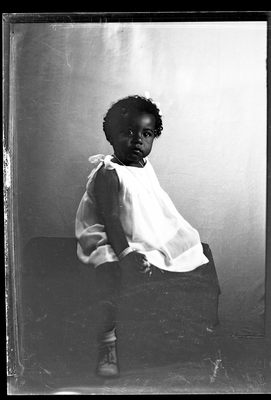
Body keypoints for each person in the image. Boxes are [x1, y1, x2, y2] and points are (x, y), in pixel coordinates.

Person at [75, 95, 209, 378]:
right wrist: (125, 254)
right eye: (128, 132)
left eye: (146, 134)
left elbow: (153, 207)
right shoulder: (108, 172)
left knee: (184, 248)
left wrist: (159, 237)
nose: (138, 140)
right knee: (110, 270)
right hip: (110, 236)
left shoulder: (144, 166)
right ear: (111, 137)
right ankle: (107, 343)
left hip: (139, 231)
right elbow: (111, 218)